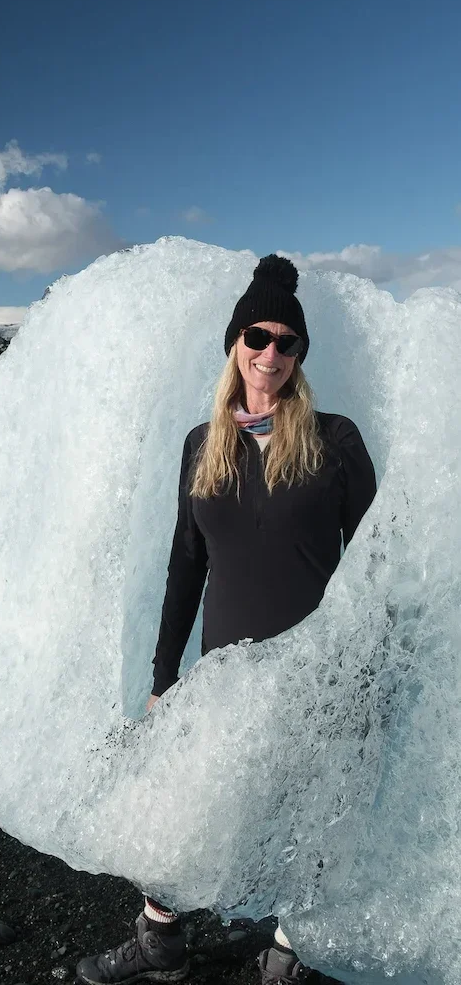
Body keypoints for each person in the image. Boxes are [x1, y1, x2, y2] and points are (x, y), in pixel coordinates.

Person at [76, 255, 377, 985]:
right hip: (224, 673)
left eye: (286, 342)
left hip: (314, 670)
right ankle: (159, 940)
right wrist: (162, 675)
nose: (269, 353)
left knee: (309, 820)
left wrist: (370, 667)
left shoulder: (335, 441)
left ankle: (286, 947)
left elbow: (376, 565)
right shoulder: (200, 445)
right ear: (233, 342)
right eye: (256, 335)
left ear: (300, 354)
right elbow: (187, 566)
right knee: (176, 815)